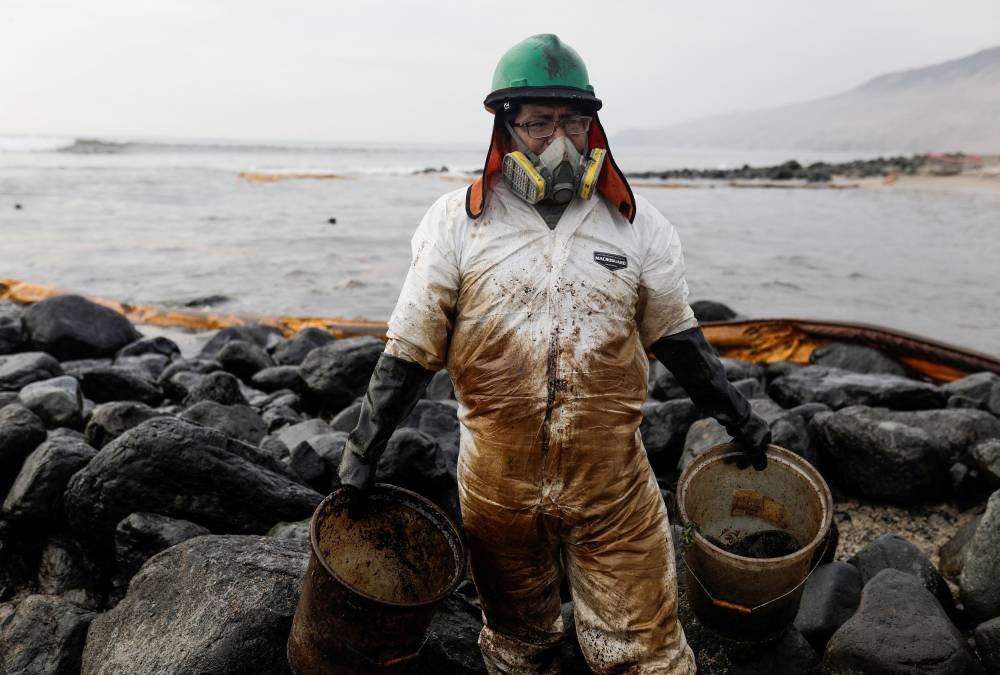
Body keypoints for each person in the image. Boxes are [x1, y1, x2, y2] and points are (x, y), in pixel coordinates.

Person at [339, 33, 771, 674]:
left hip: (613, 487)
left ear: (594, 123)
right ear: (506, 128)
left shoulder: (637, 224)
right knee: (519, 646)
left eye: (572, 120)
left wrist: (739, 417)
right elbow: (410, 348)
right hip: (496, 487)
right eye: (538, 124)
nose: (559, 141)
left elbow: (677, 336)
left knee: (646, 652)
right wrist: (360, 453)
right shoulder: (457, 223)